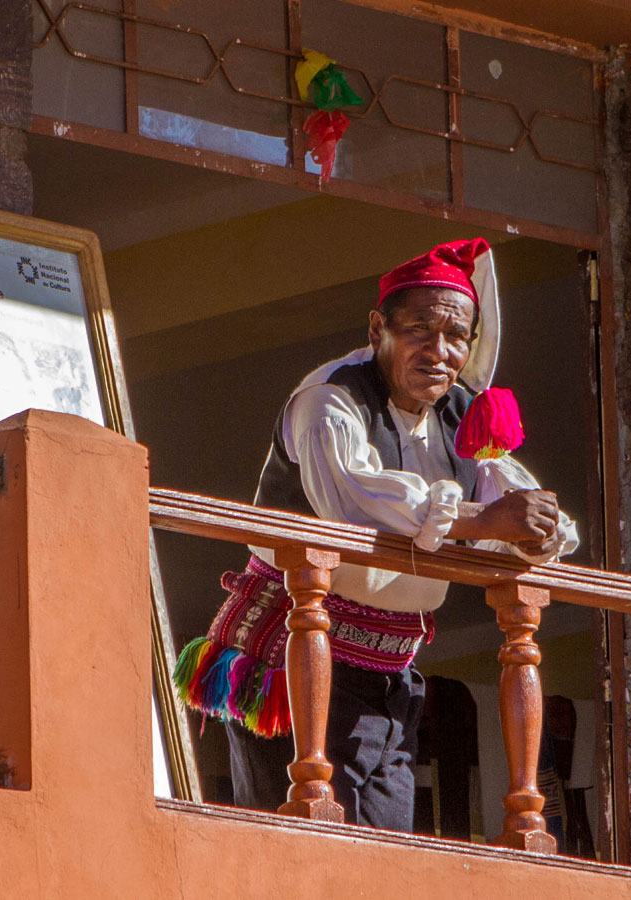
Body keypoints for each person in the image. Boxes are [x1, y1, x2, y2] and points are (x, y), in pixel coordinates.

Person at [174, 237, 578, 832]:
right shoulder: (329, 399)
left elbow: (513, 504)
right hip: (298, 658)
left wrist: (534, 532)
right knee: (307, 855)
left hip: (391, 674)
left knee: (382, 854)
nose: (439, 351)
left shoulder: (464, 413)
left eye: (457, 336)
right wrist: (481, 522)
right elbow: (354, 503)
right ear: (377, 329)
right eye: (419, 329)